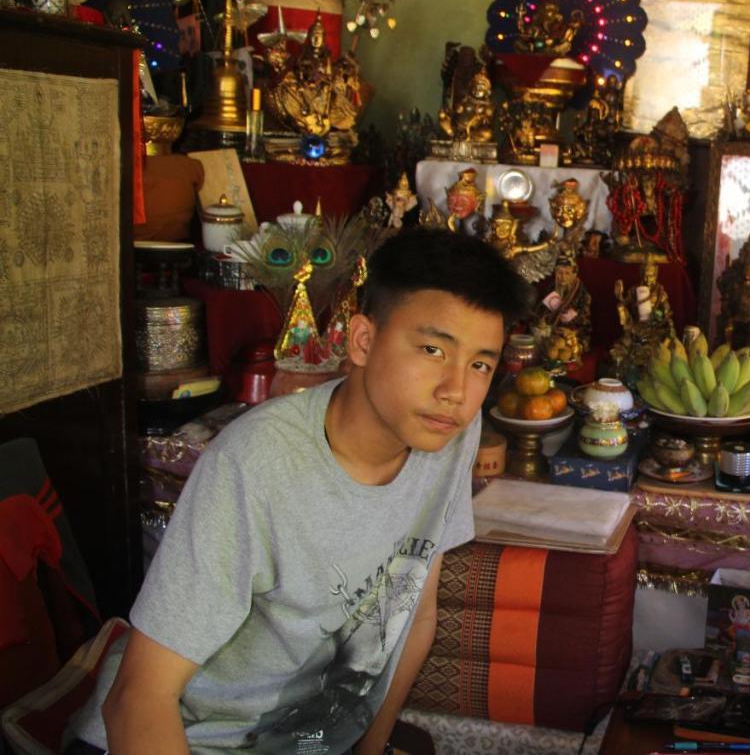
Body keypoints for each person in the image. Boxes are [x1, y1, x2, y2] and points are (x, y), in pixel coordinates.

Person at [67, 229, 532, 754]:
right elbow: (137, 699)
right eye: (431, 349)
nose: (456, 390)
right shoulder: (256, 465)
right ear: (361, 340)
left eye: (480, 365)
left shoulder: (449, 430)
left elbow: (412, 613)